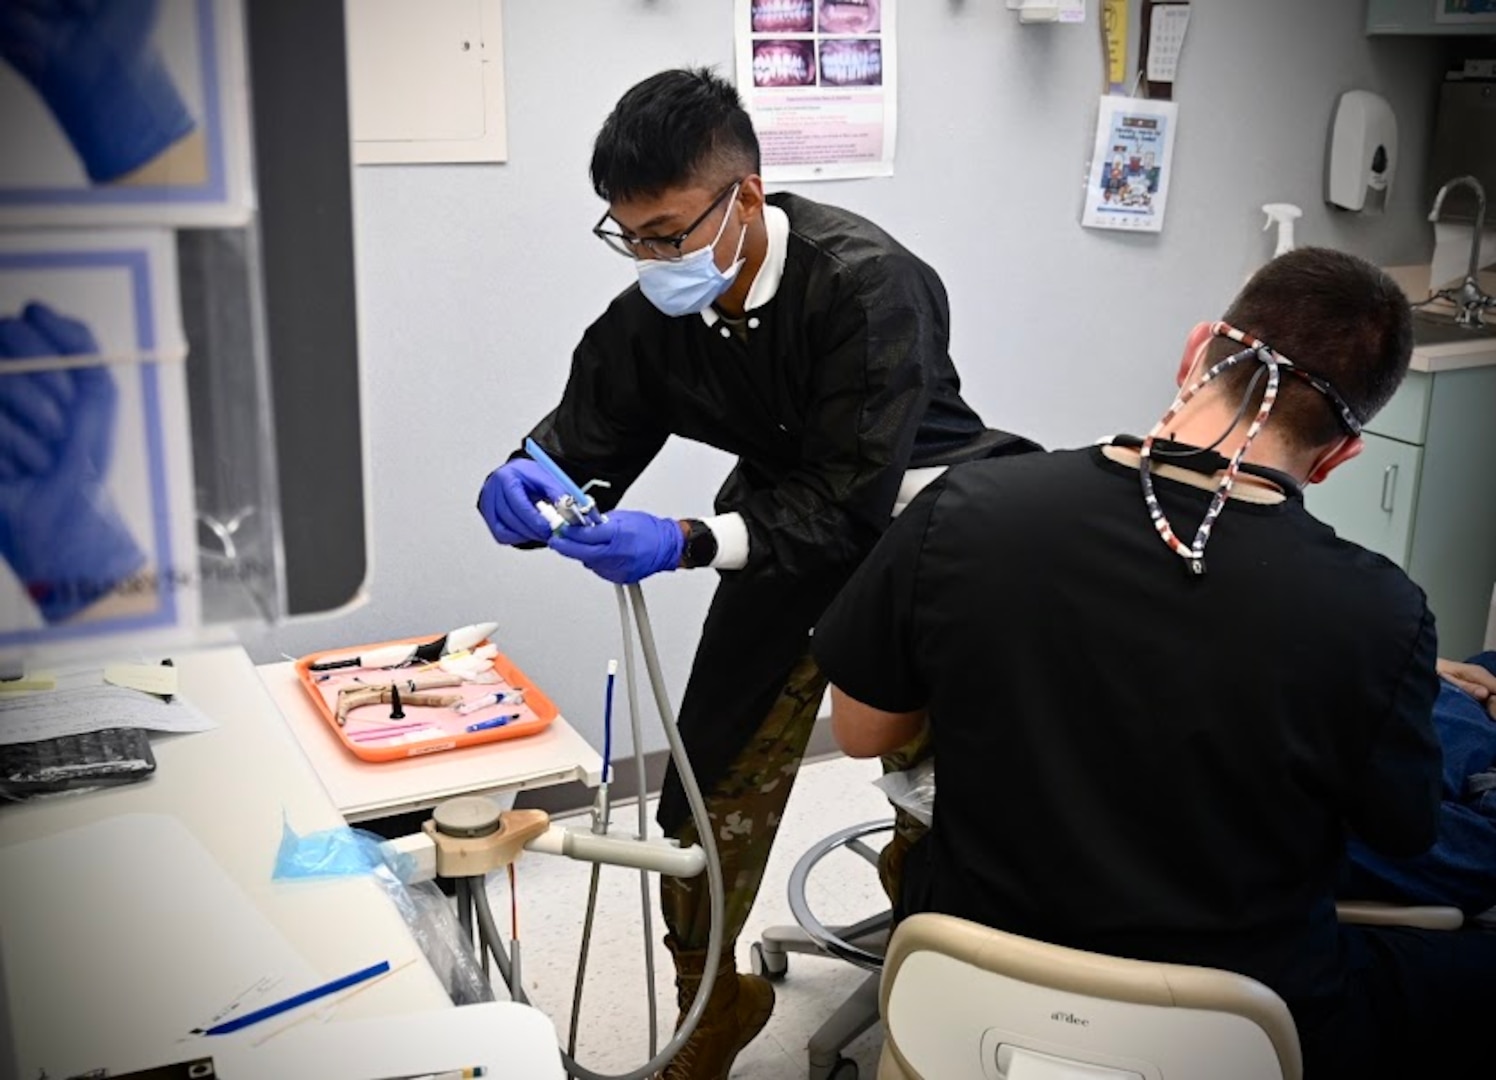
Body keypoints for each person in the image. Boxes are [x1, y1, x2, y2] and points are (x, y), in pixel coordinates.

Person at [811, 247, 1496, 1079]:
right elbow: (1403, 832)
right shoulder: (1378, 613)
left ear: (1196, 350)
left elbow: (861, 729)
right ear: (1339, 456)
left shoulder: (966, 510)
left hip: (971, 983)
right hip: (1235, 1026)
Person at [474, 67, 1037, 1078]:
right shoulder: (652, 314)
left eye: (667, 231)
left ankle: (931, 980)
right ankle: (710, 1006)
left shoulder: (867, 282)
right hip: (784, 530)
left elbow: (852, 499)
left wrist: (689, 539)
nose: (648, 257)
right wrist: (524, 483)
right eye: (627, 234)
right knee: (703, 789)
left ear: (745, 195)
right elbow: (582, 438)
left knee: (944, 787)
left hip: (934, 528)